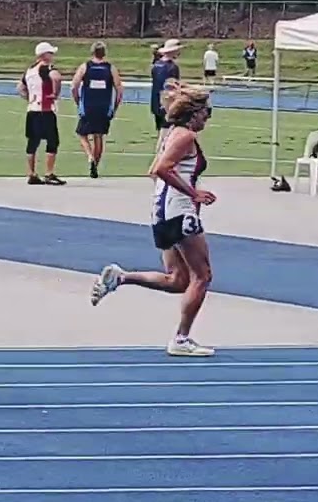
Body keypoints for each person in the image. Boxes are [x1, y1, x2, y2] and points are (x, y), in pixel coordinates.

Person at [89, 81, 216, 357]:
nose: (208, 117)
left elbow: (154, 170)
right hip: (178, 211)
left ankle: (121, 278)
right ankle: (181, 338)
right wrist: (193, 193)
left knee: (179, 280)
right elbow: (161, 169)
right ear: (194, 113)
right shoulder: (185, 137)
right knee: (202, 275)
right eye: (207, 112)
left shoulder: (172, 134)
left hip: (162, 210)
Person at [70, 40, 123, 178]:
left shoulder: (85, 67)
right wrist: (115, 106)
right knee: (98, 136)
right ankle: (95, 165)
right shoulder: (110, 68)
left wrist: (77, 100)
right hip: (104, 106)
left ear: (92, 52)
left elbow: (74, 86)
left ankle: (89, 156)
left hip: (88, 106)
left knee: (82, 134)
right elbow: (119, 89)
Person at [19, 41, 66, 185]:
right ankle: (49, 173)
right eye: (50, 53)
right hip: (45, 110)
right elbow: (56, 77)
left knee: (32, 142)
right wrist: (55, 93)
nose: (52, 56)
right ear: (44, 55)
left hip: (32, 109)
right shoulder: (46, 68)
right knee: (52, 141)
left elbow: (20, 88)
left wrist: (29, 98)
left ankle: (31, 173)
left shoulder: (29, 70)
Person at [150, 39, 182, 132]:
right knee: (167, 132)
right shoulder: (172, 67)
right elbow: (174, 86)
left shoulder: (156, 65)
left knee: (161, 130)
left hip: (156, 101)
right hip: (168, 103)